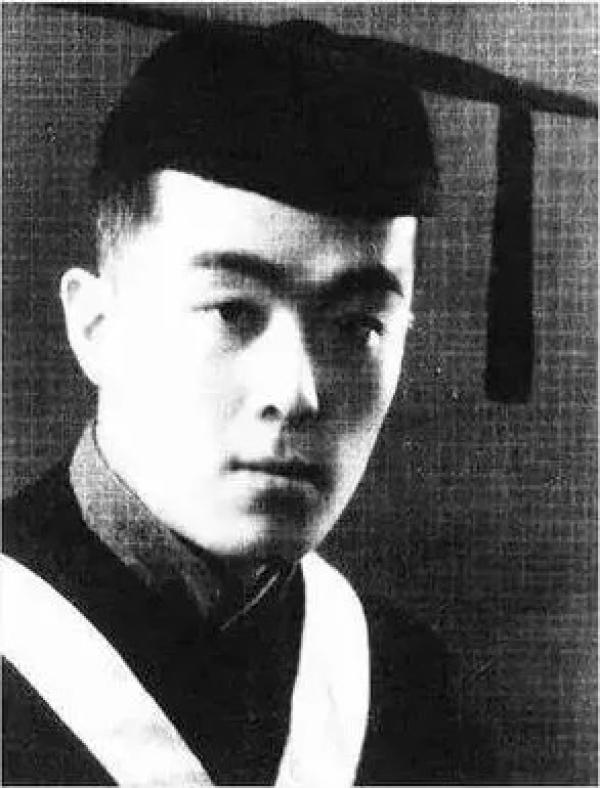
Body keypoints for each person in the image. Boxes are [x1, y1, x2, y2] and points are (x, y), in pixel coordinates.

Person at [2, 18, 488, 786]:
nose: (296, 393)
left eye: (357, 325)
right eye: (232, 311)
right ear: (96, 328)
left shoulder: (406, 693)